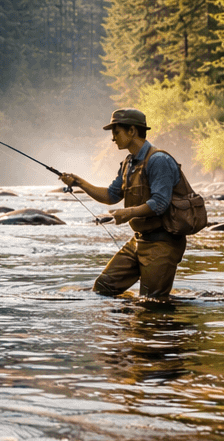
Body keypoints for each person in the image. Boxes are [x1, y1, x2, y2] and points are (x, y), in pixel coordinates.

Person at [57, 108, 184, 301]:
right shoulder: (129, 163)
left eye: (116, 132)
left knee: (152, 302)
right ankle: (126, 318)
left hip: (163, 242)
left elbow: (160, 203)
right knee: (104, 286)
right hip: (140, 240)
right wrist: (79, 183)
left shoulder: (159, 160)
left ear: (132, 131)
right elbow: (111, 195)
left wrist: (127, 214)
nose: (113, 138)